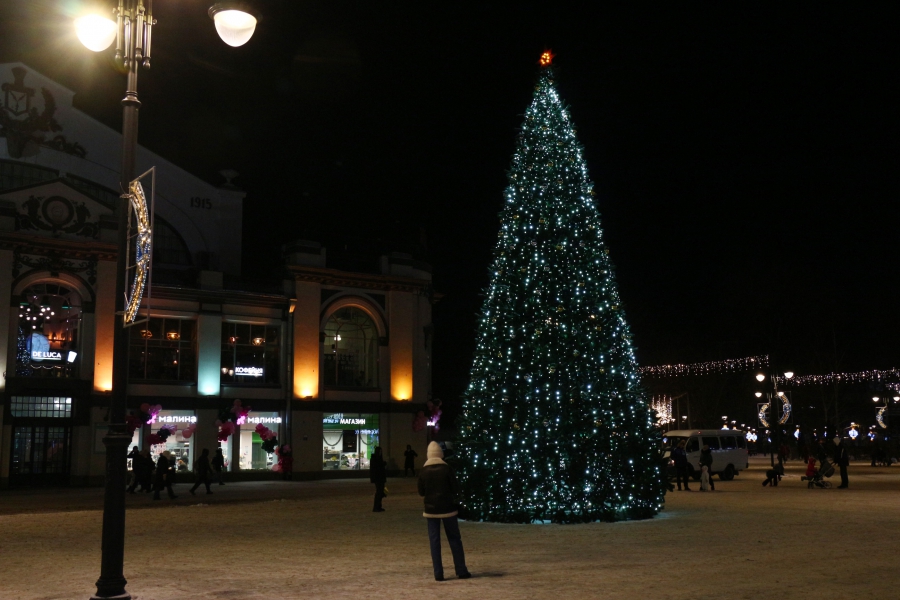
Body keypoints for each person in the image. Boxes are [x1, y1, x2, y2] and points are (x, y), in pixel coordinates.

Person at [418, 441, 471, 581]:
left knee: (434, 541)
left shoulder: (423, 471)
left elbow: (421, 492)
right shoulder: (447, 469)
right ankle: (461, 570)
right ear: (441, 454)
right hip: (448, 509)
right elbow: (455, 488)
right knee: (454, 539)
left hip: (431, 510)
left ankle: (438, 573)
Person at [370, 446, 387, 512]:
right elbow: (377, 468)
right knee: (379, 492)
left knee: (380, 492)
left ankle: (378, 506)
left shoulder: (376, 458)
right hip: (378, 478)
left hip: (379, 478)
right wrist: (383, 464)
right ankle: (376, 507)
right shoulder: (376, 459)